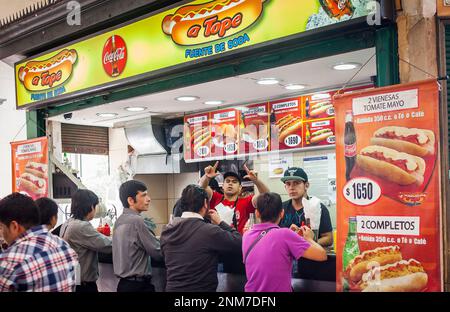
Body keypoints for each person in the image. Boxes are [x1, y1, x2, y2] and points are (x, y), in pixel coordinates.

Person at [160, 184, 242, 292]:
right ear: (205, 204)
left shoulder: (166, 230)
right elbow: (239, 242)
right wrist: (220, 222)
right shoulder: (209, 231)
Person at [243, 192, 327, 292]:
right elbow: (322, 255)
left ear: (257, 213)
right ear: (282, 213)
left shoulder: (246, 235)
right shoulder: (284, 234)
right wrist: (308, 238)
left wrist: (291, 236)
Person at [0, 193, 78, 292]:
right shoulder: (63, 246)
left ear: (14, 226)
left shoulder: (9, 261)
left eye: (1, 227)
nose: (1, 233)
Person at [113, 180, 163, 292]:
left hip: (123, 285)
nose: (149, 199)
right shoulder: (137, 221)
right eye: (144, 195)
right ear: (131, 200)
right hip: (138, 286)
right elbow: (157, 252)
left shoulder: (119, 221)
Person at [60, 189, 112, 292]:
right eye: (95, 206)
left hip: (72, 281)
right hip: (83, 286)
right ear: (90, 207)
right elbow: (107, 245)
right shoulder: (81, 226)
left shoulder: (67, 223)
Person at [199, 161, 270, 234]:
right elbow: (200, 188)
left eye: (234, 182)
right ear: (223, 186)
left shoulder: (246, 201)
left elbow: (266, 195)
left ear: (240, 188)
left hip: (238, 242)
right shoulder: (215, 197)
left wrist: (256, 181)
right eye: (227, 181)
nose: (230, 183)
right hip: (216, 242)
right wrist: (206, 177)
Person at [279, 167, 334, 247]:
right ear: (285, 187)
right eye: (288, 184)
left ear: (306, 185)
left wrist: (304, 243)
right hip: (287, 257)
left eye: (296, 183)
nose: (291, 188)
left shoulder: (318, 207)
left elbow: (328, 238)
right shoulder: (281, 208)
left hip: (311, 256)